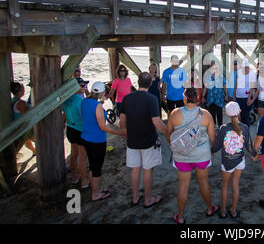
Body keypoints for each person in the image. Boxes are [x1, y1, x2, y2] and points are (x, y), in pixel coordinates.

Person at [167, 88, 217, 224]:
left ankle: (181, 216)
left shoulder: (175, 113)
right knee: (204, 182)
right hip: (202, 155)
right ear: (198, 98)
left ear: (184, 98)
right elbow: (213, 137)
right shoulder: (206, 115)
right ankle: (209, 209)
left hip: (182, 156)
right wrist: (212, 150)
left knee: (183, 186)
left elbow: (169, 135)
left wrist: (176, 148)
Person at [120, 72, 169, 208]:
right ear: (150, 84)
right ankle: (148, 199)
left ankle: (135, 197)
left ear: (138, 82)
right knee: (148, 169)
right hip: (148, 140)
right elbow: (157, 121)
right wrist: (168, 133)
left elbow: (122, 120)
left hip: (132, 140)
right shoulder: (151, 99)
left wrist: (123, 129)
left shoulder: (127, 98)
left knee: (135, 169)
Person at [211, 102, 257, 218]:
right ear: (240, 111)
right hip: (239, 161)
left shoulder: (223, 129)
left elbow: (217, 146)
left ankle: (223, 211)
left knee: (225, 185)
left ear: (226, 113)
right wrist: (254, 154)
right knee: (235, 184)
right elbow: (249, 145)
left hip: (226, 162)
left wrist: (210, 151)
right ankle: (234, 210)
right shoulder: (245, 128)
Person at [80, 82, 124, 201]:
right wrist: (119, 133)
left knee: (93, 165)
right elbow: (102, 127)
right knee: (97, 168)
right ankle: (95, 194)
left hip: (86, 138)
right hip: (97, 141)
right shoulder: (97, 106)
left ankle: (95, 188)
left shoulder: (84, 101)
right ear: (101, 92)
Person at [62, 77, 89, 187]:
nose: (85, 87)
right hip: (80, 131)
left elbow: (64, 115)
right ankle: (84, 181)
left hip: (70, 129)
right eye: (82, 86)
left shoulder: (67, 100)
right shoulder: (81, 101)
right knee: (82, 157)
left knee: (73, 154)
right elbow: (85, 119)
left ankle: (74, 177)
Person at [10, 81, 36, 156]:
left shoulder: (12, 101)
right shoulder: (21, 103)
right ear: (19, 91)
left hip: (18, 128)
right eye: (23, 89)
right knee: (40, 140)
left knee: (27, 142)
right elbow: (28, 117)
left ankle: (34, 151)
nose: (24, 90)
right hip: (26, 128)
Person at [235, 58, 257, 127]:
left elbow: (252, 87)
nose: (244, 69)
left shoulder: (252, 73)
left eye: (245, 67)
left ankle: (246, 130)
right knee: (238, 114)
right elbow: (236, 83)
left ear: (248, 67)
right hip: (238, 96)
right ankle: (239, 129)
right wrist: (234, 95)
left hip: (246, 97)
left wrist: (249, 98)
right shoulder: (239, 72)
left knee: (245, 115)